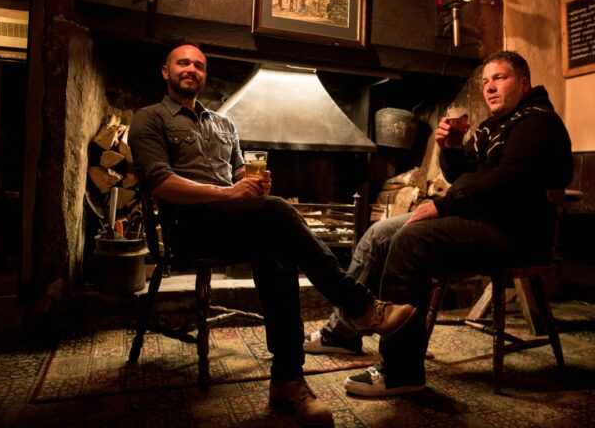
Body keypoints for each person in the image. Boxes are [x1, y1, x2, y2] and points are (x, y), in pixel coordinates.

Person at [130, 43, 417, 425]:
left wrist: (253, 187)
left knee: (278, 249)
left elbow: (238, 174)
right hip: (188, 228)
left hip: (231, 221)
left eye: (199, 65)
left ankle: (287, 379)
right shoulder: (150, 118)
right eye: (183, 63)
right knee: (279, 212)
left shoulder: (224, 124)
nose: (191, 70)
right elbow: (160, 183)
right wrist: (230, 194)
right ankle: (359, 305)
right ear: (166, 71)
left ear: (204, 75)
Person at [303, 50, 573, 397]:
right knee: (379, 233)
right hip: (480, 219)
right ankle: (343, 332)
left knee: (411, 239)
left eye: (500, 78)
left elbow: (506, 182)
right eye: (485, 81)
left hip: (514, 232)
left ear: (524, 83)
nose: (489, 88)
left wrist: (444, 206)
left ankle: (401, 371)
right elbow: (464, 176)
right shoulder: (495, 127)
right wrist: (452, 149)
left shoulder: (538, 123)